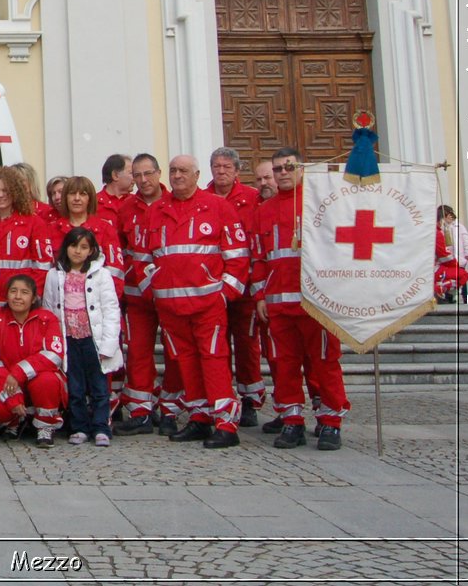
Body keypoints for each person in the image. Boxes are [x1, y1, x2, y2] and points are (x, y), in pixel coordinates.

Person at [142, 154, 248, 448]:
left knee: (214, 362)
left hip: (207, 305)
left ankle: (226, 424)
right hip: (171, 308)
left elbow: (238, 257)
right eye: (173, 170)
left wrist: (224, 295)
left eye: (183, 171)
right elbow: (143, 258)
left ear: (197, 175)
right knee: (185, 363)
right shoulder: (157, 210)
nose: (177, 176)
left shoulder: (218, 207)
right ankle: (200, 418)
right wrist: (156, 290)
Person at [254, 148, 349, 450]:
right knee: (284, 366)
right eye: (278, 168)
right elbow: (259, 257)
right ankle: (292, 420)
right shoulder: (263, 211)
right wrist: (259, 295)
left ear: (301, 169)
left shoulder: (320, 205)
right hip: (279, 304)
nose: (282, 173)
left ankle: (331, 422)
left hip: (315, 303)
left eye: (288, 168)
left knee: (325, 365)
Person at [112, 153, 182, 436]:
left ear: (159, 173)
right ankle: (141, 411)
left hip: (170, 294)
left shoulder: (173, 205)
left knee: (174, 354)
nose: (142, 180)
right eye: (137, 175)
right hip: (137, 297)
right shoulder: (127, 208)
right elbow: (120, 249)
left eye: (148, 174)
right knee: (138, 353)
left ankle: (170, 409)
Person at [43, 229, 121, 447]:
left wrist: (109, 343)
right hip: (68, 338)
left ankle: (101, 426)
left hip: (93, 338)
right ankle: (78, 426)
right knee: (75, 386)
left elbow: (111, 309)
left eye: (84, 247)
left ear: (91, 251)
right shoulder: (54, 275)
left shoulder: (101, 275)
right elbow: (49, 309)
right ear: (65, 248)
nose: (78, 251)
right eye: (74, 246)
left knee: (99, 386)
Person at [208, 147, 267, 427]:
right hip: (209, 289)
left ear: (237, 170)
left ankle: (249, 400)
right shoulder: (202, 198)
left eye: (226, 167)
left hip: (243, 288)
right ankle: (216, 399)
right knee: (215, 349)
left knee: (246, 345)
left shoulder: (252, 199)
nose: (221, 172)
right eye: (216, 167)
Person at [0, 274, 67, 448]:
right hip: (8, 383)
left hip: (35, 381)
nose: (18, 297)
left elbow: (54, 355)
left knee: (47, 380)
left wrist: (19, 372)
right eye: (13, 291)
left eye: (24, 292)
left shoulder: (46, 319)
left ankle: (45, 426)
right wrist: (13, 397)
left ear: (34, 298)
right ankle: (14, 422)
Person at [0, 165, 56, 297]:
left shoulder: (34, 223)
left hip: (21, 301)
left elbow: (43, 268)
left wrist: (31, 297)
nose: (1, 195)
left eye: (6, 190)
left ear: (16, 191)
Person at [436, 205, 468, 304]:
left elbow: (466, 241)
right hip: (446, 258)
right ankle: (448, 296)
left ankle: (465, 297)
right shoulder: (440, 228)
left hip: (458, 256)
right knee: (447, 278)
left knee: (461, 276)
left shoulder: (459, 226)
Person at [95, 154, 133, 225]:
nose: (135, 178)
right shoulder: (93, 204)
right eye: (131, 173)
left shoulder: (136, 203)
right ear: (115, 175)